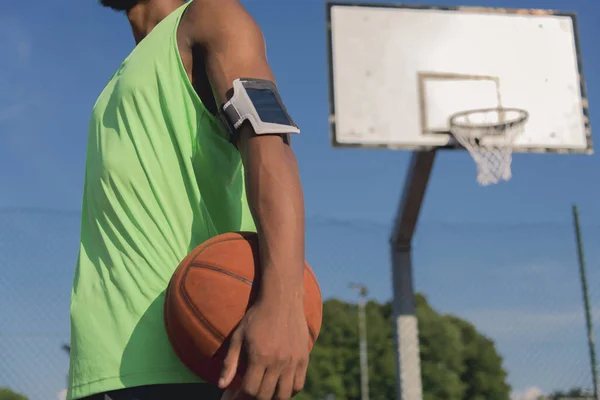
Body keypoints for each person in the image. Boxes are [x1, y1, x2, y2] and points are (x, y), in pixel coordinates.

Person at [67, 0, 309, 399]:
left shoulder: (212, 16)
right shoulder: (120, 78)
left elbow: (271, 146)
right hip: (102, 368)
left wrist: (283, 302)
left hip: (193, 354)